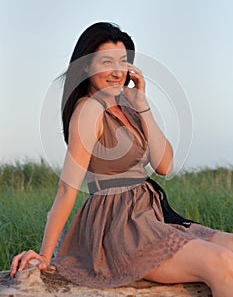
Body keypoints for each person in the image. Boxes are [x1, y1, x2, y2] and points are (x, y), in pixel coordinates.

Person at [11, 22, 233, 296]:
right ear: (86, 67)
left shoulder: (128, 102)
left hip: (151, 214)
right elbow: (67, 189)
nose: (118, 71)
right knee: (222, 261)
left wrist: (142, 104)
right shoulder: (88, 110)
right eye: (106, 62)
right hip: (119, 226)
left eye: (123, 61)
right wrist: (45, 255)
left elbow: (164, 166)